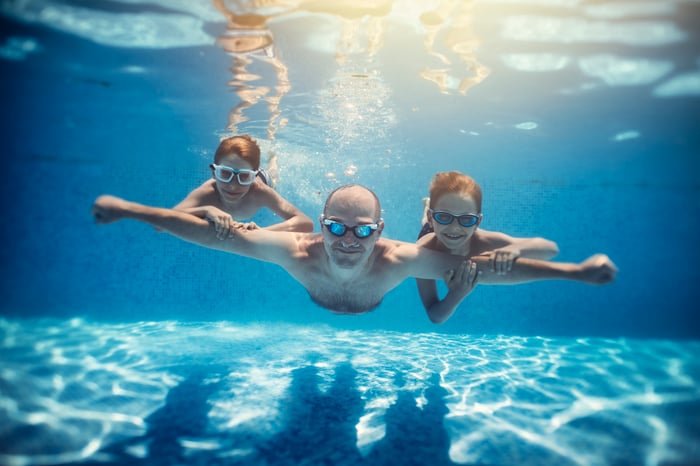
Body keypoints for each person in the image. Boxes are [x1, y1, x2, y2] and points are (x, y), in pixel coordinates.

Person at [92, 184, 617, 315]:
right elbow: (218, 236)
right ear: (319, 226)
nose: (348, 241)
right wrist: (131, 210)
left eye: (362, 231)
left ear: (381, 230)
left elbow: (483, 269)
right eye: (336, 228)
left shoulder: (401, 259)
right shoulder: (295, 250)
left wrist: (574, 273)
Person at [416, 171, 616, 323]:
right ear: (436, 218)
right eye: (443, 217)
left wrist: (516, 249)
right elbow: (435, 316)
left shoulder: (486, 240)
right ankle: (427, 210)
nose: (454, 227)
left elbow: (550, 248)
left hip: (436, 226)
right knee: (425, 225)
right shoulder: (422, 251)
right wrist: (456, 294)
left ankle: (431, 209)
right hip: (431, 233)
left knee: (437, 221)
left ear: (478, 222)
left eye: (466, 219)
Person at [174, 135, 313, 236]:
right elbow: (165, 220)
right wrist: (206, 210)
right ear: (214, 173)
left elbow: (305, 222)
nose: (233, 186)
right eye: (225, 174)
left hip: (264, 179)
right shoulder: (208, 191)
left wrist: (262, 232)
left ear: (253, 177)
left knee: (273, 174)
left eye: (244, 176)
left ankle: (273, 158)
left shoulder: (261, 192)